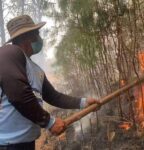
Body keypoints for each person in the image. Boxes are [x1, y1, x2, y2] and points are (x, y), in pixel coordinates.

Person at [0, 15, 99, 150]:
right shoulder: (8, 52)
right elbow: (19, 94)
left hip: (26, 143)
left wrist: (83, 102)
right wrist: (49, 122)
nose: (39, 38)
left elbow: (53, 96)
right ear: (26, 37)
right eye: (37, 33)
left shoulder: (36, 70)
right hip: (6, 144)